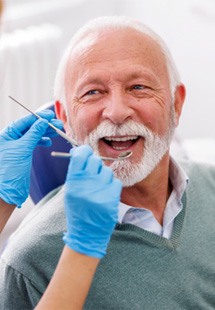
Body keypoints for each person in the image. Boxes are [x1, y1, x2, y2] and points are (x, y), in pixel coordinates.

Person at [1, 14, 215, 310]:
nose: (116, 112)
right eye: (93, 92)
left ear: (176, 104)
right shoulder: (31, 264)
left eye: (138, 87)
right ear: (64, 118)